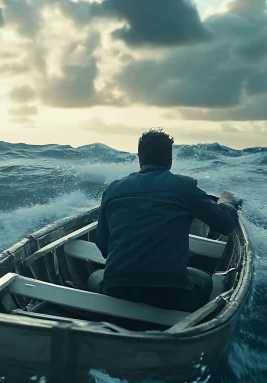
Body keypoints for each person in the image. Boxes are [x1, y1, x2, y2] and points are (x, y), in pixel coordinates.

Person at [87, 128, 240, 312]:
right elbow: (225, 224)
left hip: (118, 289)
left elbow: (103, 244)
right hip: (170, 293)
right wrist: (227, 203)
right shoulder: (184, 186)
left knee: (94, 276)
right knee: (206, 279)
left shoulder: (113, 190)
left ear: (140, 160)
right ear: (170, 162)